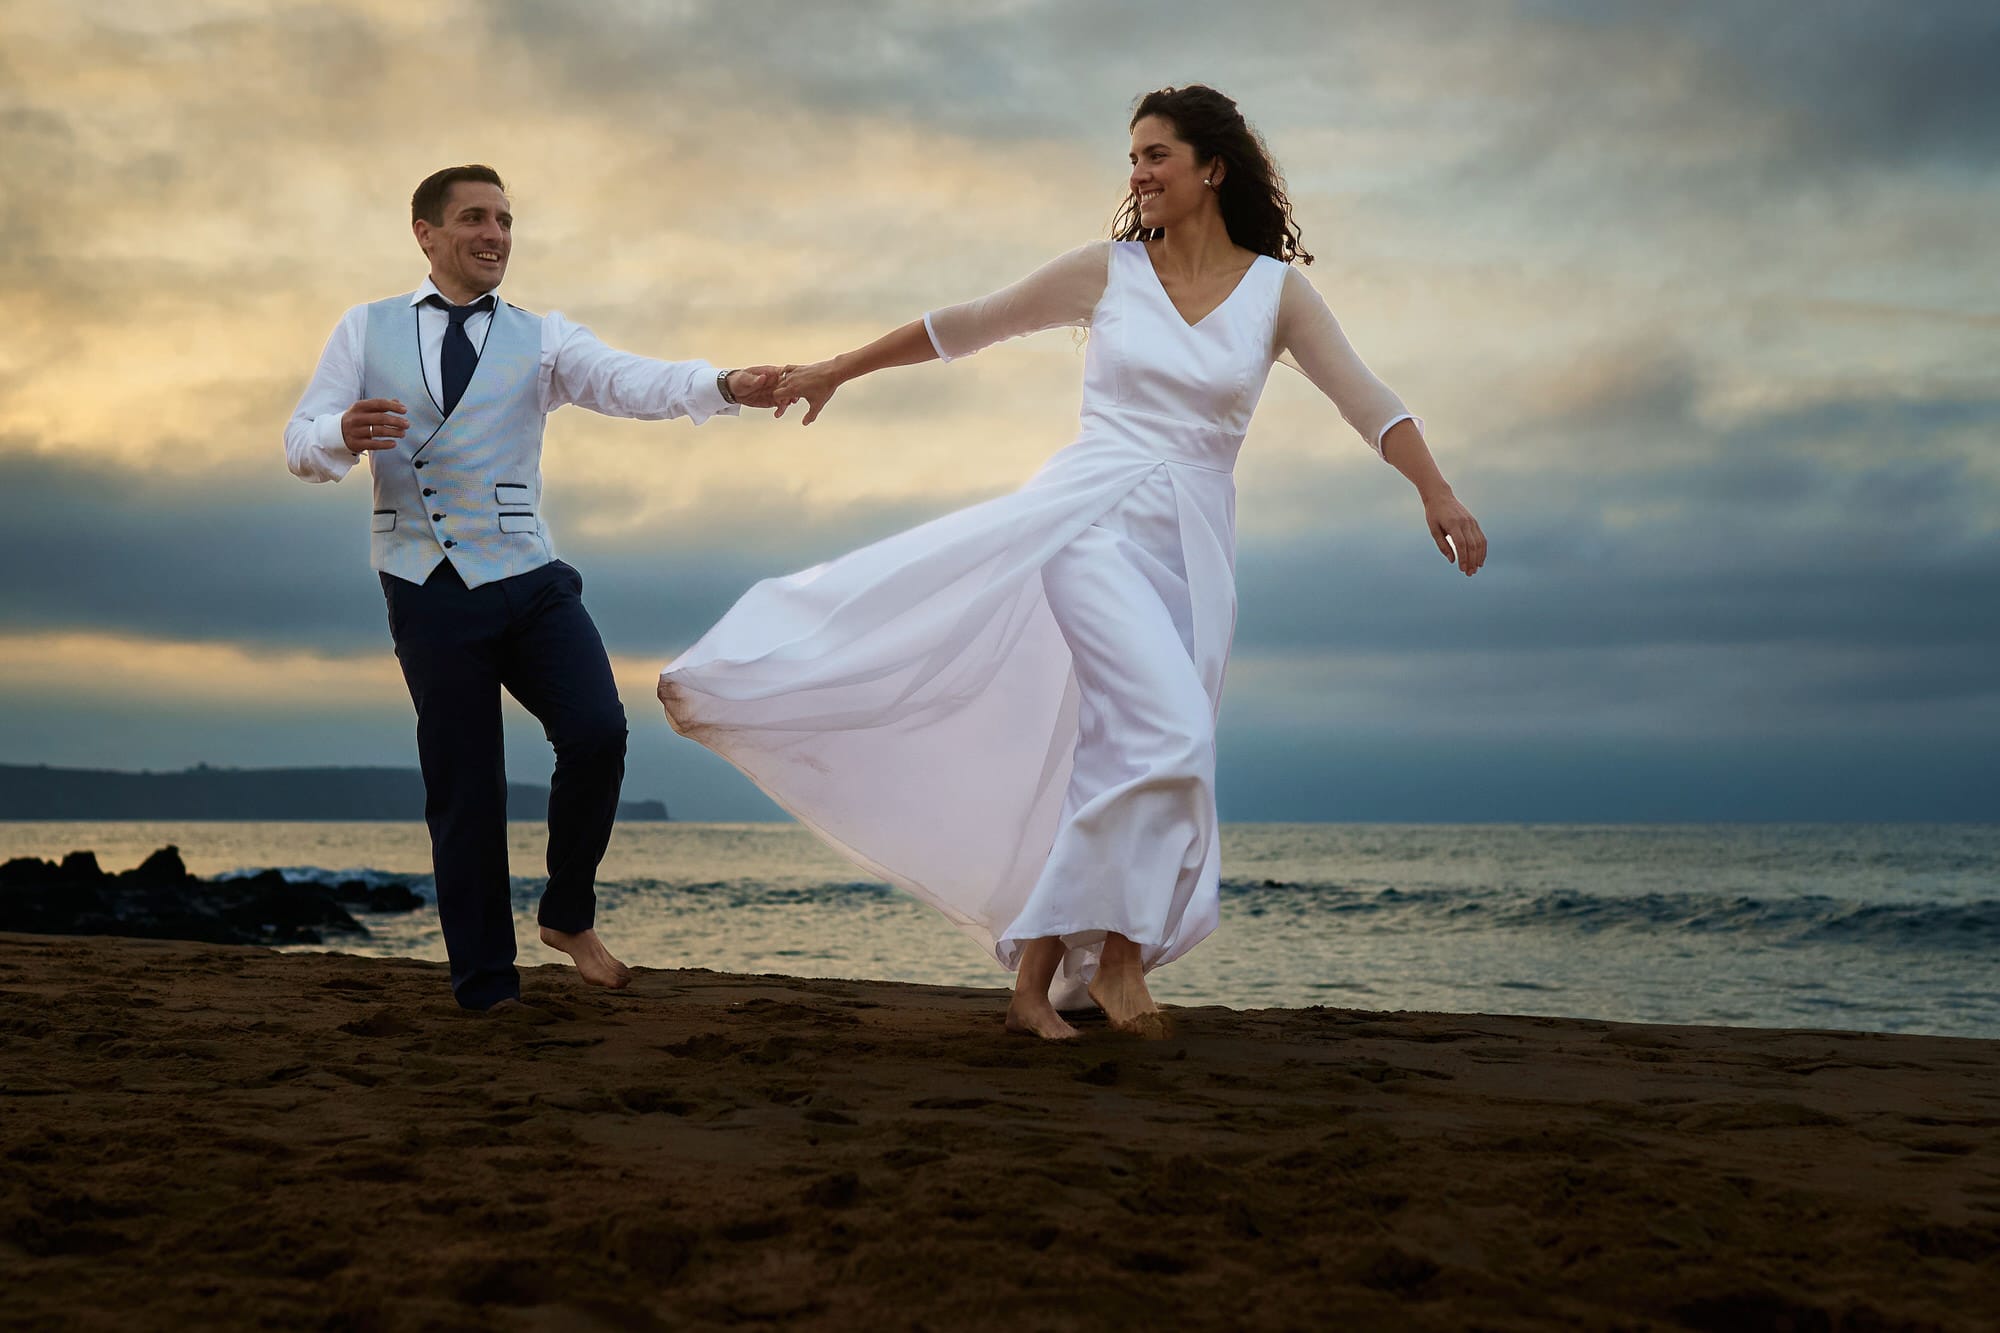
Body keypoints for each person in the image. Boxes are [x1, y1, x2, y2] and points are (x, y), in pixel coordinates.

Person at [659, 87, 1486, 1040]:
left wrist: (1438, 489)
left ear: (1210, 168)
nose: (1137, 173)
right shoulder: (1108, 272)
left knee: (1121, 750)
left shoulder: (1276, 293)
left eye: (1156, 156)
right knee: (1169, 731)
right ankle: (1122, 964)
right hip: (1086, 520)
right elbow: (966, 323)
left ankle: (1034, 984)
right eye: (1132, 157)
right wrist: (833, 370)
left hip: (1194, 549)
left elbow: (1370, 399)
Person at [285, 165, 781, 1019]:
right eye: (475, 218)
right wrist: (338, 431)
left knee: (597, 731)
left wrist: (724, 384)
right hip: (426, 585)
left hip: (530, 575)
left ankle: (567, 913)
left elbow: (628, 379)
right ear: (426, 233)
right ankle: (487, 988)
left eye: (507, 221)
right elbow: (301, 441)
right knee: (466, 787)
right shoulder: (362, 329)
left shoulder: (543, 337)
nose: (497, 235)